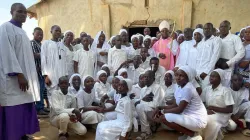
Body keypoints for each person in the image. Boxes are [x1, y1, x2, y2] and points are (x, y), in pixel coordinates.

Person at [0, 3, 40, 140]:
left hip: (25, 79)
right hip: (13, 80)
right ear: (11, 12)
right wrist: (19, 74)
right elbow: (7, 53)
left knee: (24, 108)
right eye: (19, 11)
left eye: (24, 12)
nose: (23, 14)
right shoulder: (5, 28)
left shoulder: (22, 32)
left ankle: (22, 134)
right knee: (14, 110)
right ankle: (13, 136)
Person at [152, 66, 207, 140]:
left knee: (164, 117)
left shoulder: (188, 88)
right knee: (166, 116)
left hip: (198, 120)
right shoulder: (179, 87)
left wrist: (162, 111)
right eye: (177, 75)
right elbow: (175, 105)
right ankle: (188, 133)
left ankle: (193, 134)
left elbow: (179, 109)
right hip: (189, 117)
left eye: (181, 76)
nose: (178, 77)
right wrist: (159, 107)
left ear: (188, 77)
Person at [202, 69, 235, 140]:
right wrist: (206, 110)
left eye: (214, 76)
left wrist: (213, 108)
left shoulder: (225, 91)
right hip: (209, 112)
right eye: (211, 76)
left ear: (220, 78)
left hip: (222, 115)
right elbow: (202, 103)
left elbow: (230, 109)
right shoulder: (206, 89)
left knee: (208, 119)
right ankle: (219, 129)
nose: (211, 78)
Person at [135, 70, 165, 139]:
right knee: (139, 106)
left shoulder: (158, 88)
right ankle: (149, 128)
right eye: (145, 77)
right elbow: (141, 102)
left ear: (153, 79)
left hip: (157, 112)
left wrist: (143, 101)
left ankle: (146, 132)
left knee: (140, 106)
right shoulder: (143, 89)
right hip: (147, 110)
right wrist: (143, 100)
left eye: (148, 77)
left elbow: (156, 105)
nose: (145, 78)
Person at [41, 25, 68, 97]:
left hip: (61, 75)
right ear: (51, 31)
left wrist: (66, 75)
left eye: (59, 31)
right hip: (51, 75)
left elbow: (65, 61)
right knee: (52, 95)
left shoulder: (62, 45)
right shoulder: (46, 43)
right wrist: (45, 76)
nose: (58, 32)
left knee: (62, 95)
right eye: (56, 30)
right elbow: (43, 60)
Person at [218, 20, 245, 87]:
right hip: (216, 66)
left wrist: (229, 63)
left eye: (225, 26)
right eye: (221, 26)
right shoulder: (216, 39)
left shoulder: (235, 38)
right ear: (219, 28)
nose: (223, 28)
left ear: (229, 28)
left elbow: (241, 52)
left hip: (227, 67)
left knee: (225, 88)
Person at [196, 23, 222, 89]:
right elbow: (197, 58)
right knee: (196, 92)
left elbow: (215, 56)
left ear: (212, 30)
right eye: (205, 29)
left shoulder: (216, 40)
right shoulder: (201, 42)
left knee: (205, 92)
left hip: (207, 73)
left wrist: (206, 72)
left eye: (208, 29)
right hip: (197, 72)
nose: (206, 30)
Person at [31, 27, 49, 116]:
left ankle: (41, 106)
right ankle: (38, 108)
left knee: (42, 90)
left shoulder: (41, 44)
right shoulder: (32, 43)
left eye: (41, 35)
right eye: (38, 34)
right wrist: (46, 54)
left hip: (42, 72)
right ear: (33, 34)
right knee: (38, 90)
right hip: (36, 72)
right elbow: (34, 55)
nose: (40, 36)